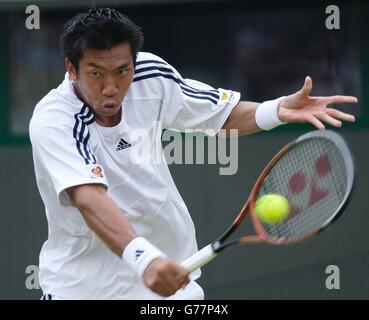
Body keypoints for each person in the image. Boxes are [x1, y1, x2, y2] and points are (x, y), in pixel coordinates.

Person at [29, 8, 357, 300]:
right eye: (96, 73)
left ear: (134, 62)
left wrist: (277, 109)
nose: (111, 86)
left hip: (173, 280)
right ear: (72, 68)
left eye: (122, 70)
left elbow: (218, 114)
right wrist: (144, 259)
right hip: (84, 289)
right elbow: (89, 198)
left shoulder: (151, 76)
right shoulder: (55, 121)